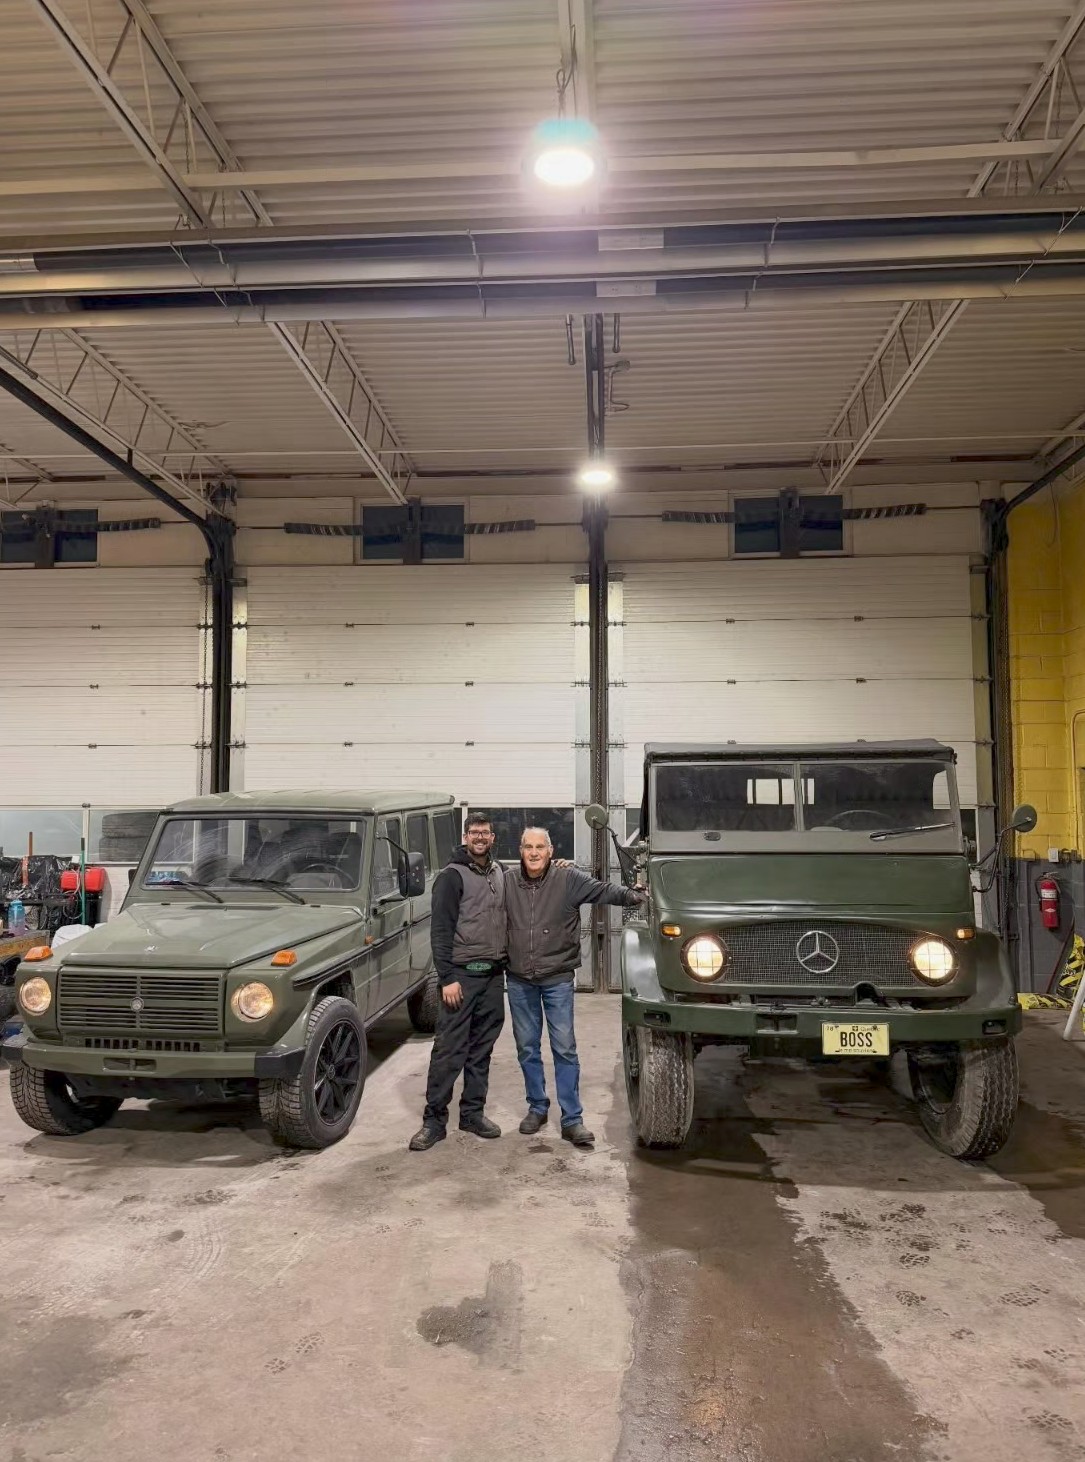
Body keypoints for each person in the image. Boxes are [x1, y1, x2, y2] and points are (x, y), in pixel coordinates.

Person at [504, 827, 647, 1149]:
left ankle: (571, 1119)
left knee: (564, 1048)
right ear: (520, 850)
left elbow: (603, 890)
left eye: (540, 847)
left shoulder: (567, 879)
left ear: (550, 851)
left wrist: (633, 893)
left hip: (556, 979)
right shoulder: (508, 881)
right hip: (519, 979)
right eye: (528, 847)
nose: (534, 853)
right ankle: (537, 1107)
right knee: (527, 1047)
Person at [409, 812, 507, 1152]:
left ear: (493, 838)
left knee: (481, 1050)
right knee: (449, 1051)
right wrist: (447, 978)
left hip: (492, 978)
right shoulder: (451, 877)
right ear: (465, 837)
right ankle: (434, 1122)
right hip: (461, 979)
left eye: (485, 832)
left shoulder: (499, 872)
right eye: (474, 832)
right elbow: (440, 931)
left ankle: (472, 1114)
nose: (480, 837)